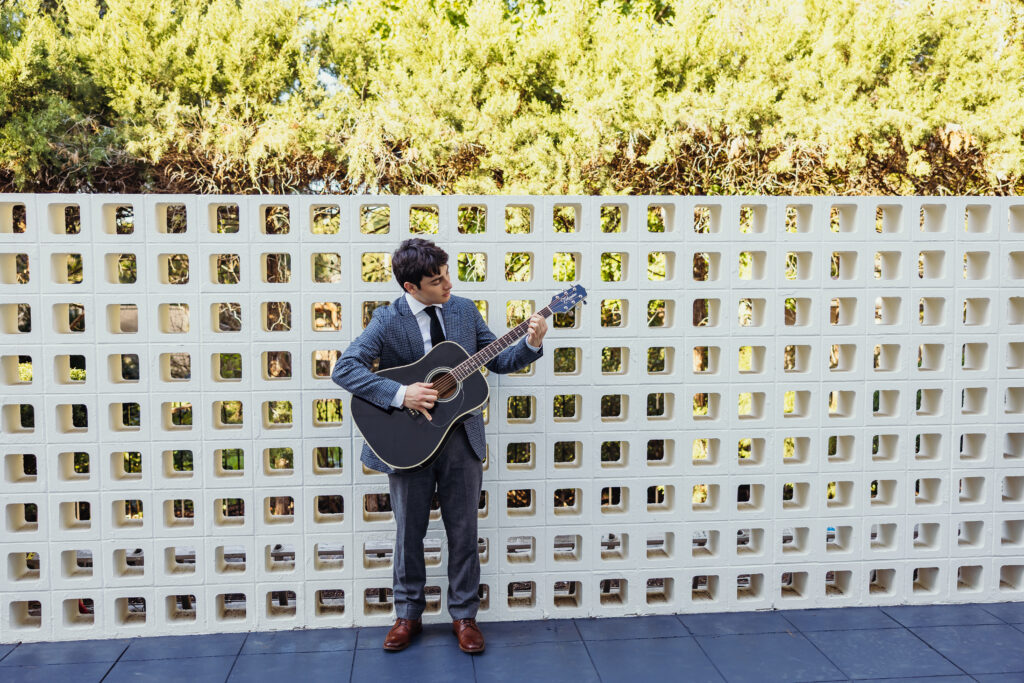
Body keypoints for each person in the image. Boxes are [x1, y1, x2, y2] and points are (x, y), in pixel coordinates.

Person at [332, 238, 547, 654]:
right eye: (436, 280)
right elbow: (346, 368)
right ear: (411, 288)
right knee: (408, 534)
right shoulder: (387, 319)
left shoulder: (464, 309)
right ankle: (407, 616)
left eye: (447, 273)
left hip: (461, 438)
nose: (448, 284)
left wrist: (532, 342)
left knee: (465, 532)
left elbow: (498, 359)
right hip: (407, 443)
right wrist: (401, 394)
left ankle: (464, 617)